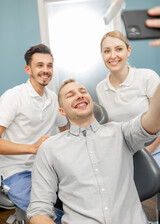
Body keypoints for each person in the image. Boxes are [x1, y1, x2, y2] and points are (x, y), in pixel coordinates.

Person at [27, 79, 160, 224]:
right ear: (62, 111)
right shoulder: (49, 149)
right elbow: (39, 210)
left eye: (83, 92)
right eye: (70, 95)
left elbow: (152, 120)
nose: (79, 95)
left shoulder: (120, 132)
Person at [0, 44, 68, 220]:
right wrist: (33, 148)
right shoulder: (13, 97)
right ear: (28, 69)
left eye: (49, 65)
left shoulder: (53, 98)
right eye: (40, 65)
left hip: (46, 167)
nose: (45, 70)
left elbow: (64, 131)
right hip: (16, 170)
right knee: (47, 216)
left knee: (78, 201)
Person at [96, 30, 160, 165]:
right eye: (107, 51)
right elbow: (110, 127)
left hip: (155, 153)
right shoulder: (101, 88)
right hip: (125, 158)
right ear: (102, 54)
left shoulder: (147, 77)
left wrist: (147, 152)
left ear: (128, 51)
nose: (113, 56)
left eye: (118, 49)